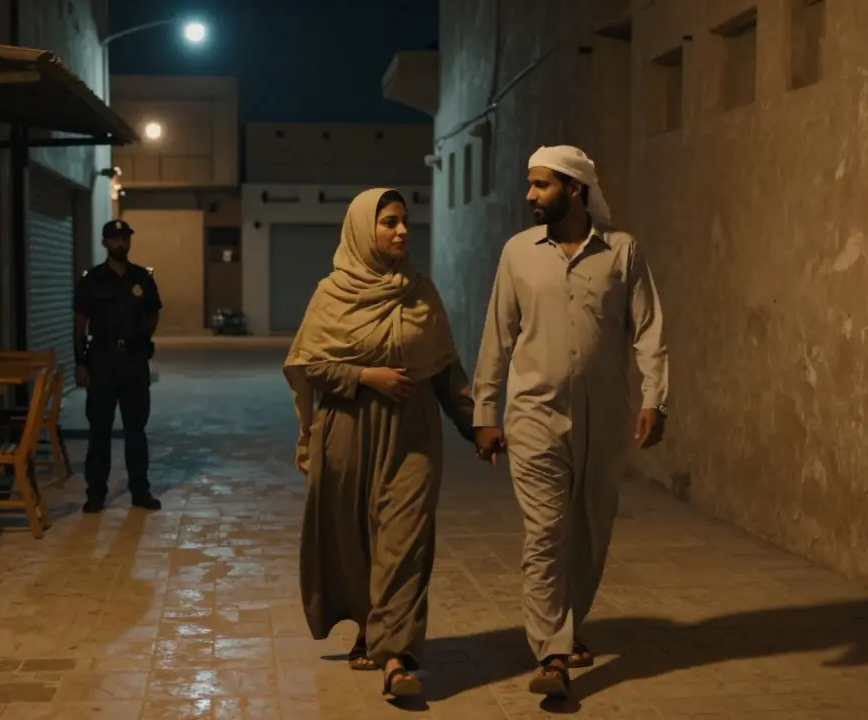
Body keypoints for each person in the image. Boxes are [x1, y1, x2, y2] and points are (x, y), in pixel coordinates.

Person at [471, 145, 670, 697]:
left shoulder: (622, 252)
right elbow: (498, 335)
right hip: (534, 414)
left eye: (540, 185)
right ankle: (553, 655)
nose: (529, 196)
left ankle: (570, 625)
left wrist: (656, 399)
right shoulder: (518, 253)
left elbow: (648, 330)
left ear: (575, 190)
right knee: (545, 533)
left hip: (605, 416)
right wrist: (484, 411)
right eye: (530, 185)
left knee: (589, 528)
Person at [284, 188, 475, 699]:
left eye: (405, 221)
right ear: (362, 230)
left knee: (404, 542)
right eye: (388, 222)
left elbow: (445, 371)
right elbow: (309, 365)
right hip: (347, 429)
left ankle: (398, 658)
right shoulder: (332, 294)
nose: (401, 231)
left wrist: (476, 424)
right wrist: (367, 375)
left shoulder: (420, 292)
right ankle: (371, 628)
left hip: (412, 432)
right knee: (354, 541)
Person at [72, 219, 163, 514]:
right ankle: (96, 492)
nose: (120, 243)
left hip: (134, 362)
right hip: (102, 360)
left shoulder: (142, 277)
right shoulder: (92, 280)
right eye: (114, 239)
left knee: (136, 428)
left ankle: (140, 489)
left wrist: (144, 338)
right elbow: (80, 324)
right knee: (100, 429)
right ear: (105, 243)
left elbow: (153, 311)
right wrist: (80, 362)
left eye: (124, 238)